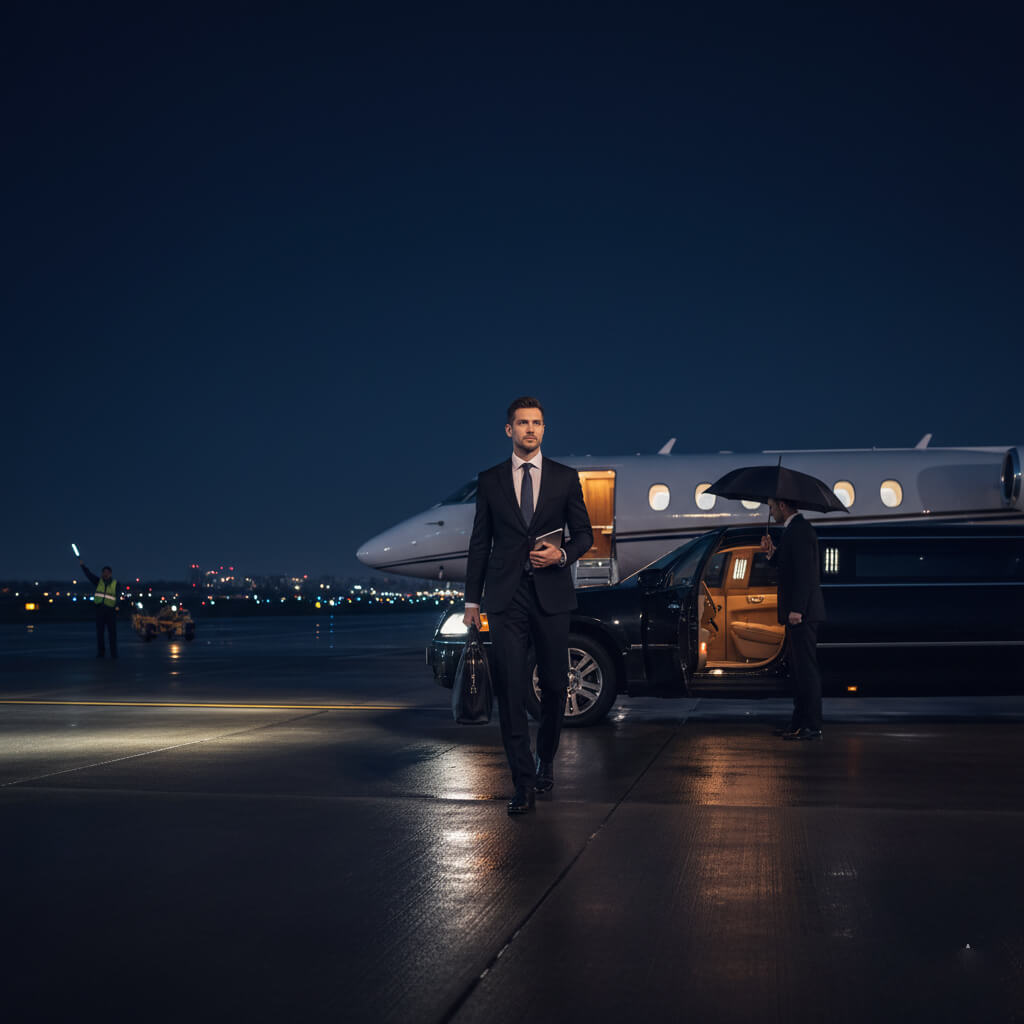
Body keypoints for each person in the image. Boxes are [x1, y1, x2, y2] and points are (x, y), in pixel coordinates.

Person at [464, 397, 593, 815]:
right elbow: (480, 543)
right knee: (511, 689)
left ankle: (545, 757)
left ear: (544, 429)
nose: (530, 429)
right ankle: (522, 782)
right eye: (522, 423)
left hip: (551, 595)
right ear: (509, 430)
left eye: (537, 423)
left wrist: (563, 555)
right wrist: (471, 600)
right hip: (506, 598)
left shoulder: (564, 478)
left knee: (554, 685)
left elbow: (585, 535)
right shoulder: (490, 481)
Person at [760, 498, 825, 740]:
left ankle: (812, 725)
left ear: (782, 506)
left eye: (771, 507)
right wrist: (772, 553)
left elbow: (805, 574)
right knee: (798, 672)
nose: (771, 512)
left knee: (806, 671)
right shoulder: (794, 530)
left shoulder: (800, 530)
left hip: (802, 615)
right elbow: (789, 566)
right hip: (798, 614)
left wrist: (797, 609)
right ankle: (798, 723)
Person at [79, 559, 120, 658]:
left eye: (107, 572)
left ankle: (113, 653)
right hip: (100, 610)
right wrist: (83, 566)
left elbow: (118, 597)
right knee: (100, 633)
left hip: (110, 611)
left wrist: (117, 607)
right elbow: (89, 575)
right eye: (104, 572)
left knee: (112, 634)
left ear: (110, 573)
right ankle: (101, 653)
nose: (105, 574)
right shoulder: (98, 582)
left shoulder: (116, 584)